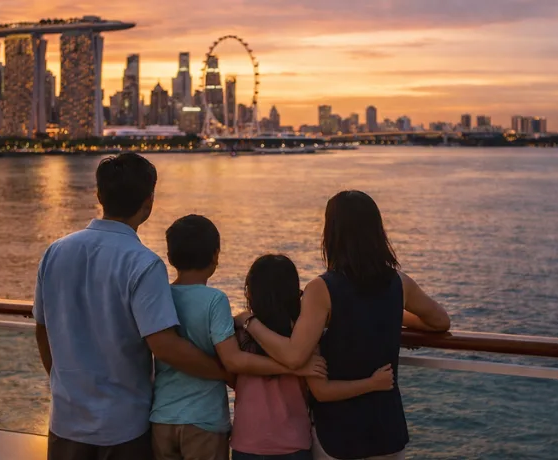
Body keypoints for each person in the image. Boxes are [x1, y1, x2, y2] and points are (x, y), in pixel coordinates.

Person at [33, 154, 229, 460]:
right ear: (149, 202)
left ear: (99, 196)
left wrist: (63, 384)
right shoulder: (143, 263)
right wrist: (225, 372)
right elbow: (164, 345)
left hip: (66, 420)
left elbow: (43, 331)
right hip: (123, 427)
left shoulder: (55, 252)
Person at [237, 190, 451, 460]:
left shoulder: (322, 289)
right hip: (387, 430)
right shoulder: (399, 282)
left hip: (340, 433)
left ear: (332, 233)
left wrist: (248, 320)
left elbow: (294, 356)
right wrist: (390, 313)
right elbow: (440, 321)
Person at [151, 216, 327, 460]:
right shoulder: (216, 301)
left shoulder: (161, 298)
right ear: (215, 256)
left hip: (163, 416)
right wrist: (294, 367)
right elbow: (233, 362)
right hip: (207, 420)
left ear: (170, 257)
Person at [232, 254, 394, 460]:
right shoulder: (303, 337)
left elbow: (229, 374)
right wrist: (371, 383)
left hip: (247, 442)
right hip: (293, 443)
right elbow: (323, 392)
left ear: (252, 291)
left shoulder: (239, 334)